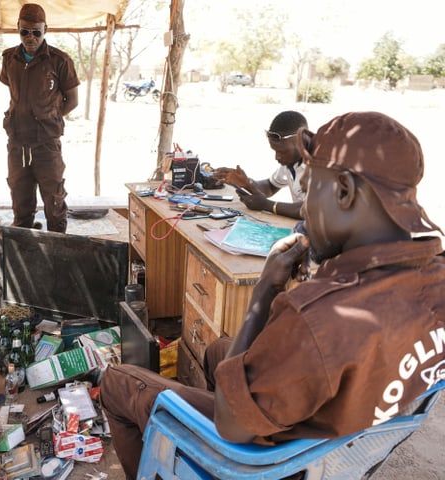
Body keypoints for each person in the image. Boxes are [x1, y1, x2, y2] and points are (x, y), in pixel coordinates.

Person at [100, 111, 445, 479]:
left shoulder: (319, 316)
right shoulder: (435, 278)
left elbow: (232, 426)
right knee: (219, 350)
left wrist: (265, 290)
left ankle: (187, 457)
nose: (305, 211)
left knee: (117, 382)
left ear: (344, 191)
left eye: (311, 189)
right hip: (338, 441)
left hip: (271, 458)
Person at [0, 3, 80, 233]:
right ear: (18, 28)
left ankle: (57, 253)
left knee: (54, 202)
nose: (30, 37)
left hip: (46, 144)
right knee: (20, 202)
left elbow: (72, 100)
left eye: (37, 32)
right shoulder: (9, 59)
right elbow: (13, 92)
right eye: (25, 31)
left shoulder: (59, 61)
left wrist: (50, 117)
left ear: (46, 30)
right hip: (17, 143)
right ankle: (25, 257)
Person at [213, 110, 310, 219]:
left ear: (302, 138)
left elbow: (313, 210)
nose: (277, 157)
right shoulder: (291, 161)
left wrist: (267, 205)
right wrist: (246, 182)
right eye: (275, 151)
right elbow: (270, 186)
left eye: (282, 152)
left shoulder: (323, 164)